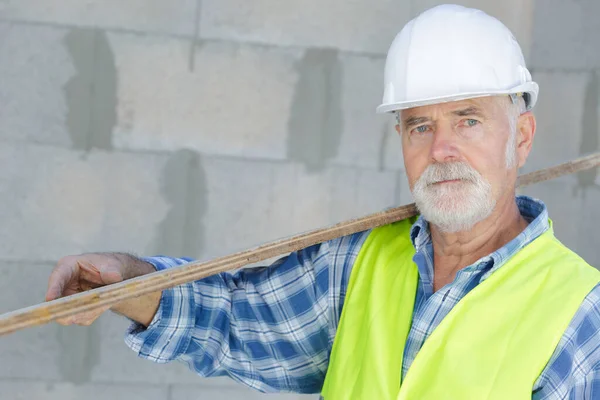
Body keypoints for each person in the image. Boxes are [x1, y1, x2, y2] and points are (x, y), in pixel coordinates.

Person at [45, 4, 600, 399]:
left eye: (469, 121)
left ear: (522, 137)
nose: (441, 150)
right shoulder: (357, 262)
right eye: (419, 126)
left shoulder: (579, 316)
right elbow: (237, 319)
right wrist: (126, 281)